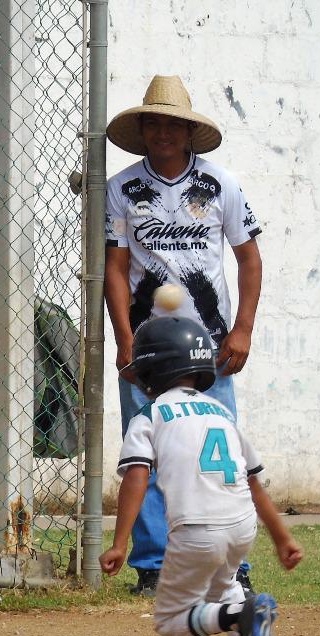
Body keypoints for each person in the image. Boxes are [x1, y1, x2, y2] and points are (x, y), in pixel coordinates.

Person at [104, 74, 265, 597]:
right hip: (148, 350)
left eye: (173, 124)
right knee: (147, 454)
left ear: (190, 131)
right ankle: (154, 566)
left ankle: (231, 566)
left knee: (217, 456)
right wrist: (124, 340)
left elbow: (249, 259)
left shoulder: (221, 185)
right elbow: (115, 268)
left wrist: (242, 329)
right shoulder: (122, 189)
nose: (163, 133)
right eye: (153, 123)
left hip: (211, 346)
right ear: (142, 131)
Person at [100, 315, 303, 636]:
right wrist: (283, 538)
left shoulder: (150, 415)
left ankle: (239, 618)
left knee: (172, 623)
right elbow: (254, 483)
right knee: (228, 591)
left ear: (150, 372)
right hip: (241, 527)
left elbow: (137, 478)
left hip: (197, 530)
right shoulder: (221, 413)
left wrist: (120, 543)